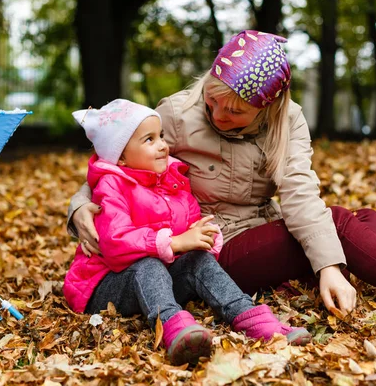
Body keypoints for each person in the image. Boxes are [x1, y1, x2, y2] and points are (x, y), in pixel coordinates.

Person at [68, 30, 376, 328]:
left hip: (260, 229)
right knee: (342, 226)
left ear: (269, 106)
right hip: (204, 250)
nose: (220, 115)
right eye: (214, 101)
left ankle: (324, 270)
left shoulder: (288, 122)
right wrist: (79, 208)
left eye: (236, 111)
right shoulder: (176, 113)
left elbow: (300, 192)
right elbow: (113, 164)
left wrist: (328, 266)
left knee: (361, 221)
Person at [63, 99, 311, 366]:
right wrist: (176, 241)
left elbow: (193, 222)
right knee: (147, 264)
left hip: (156, 279)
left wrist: (202, 235)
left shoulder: (173, 180)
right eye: (149, 140)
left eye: (161, 136)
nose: (162, 145)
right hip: (105, 286)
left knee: (197, 260)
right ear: (120, 155)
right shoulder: (111, 186)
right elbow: (115, 245)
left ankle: (252, 319)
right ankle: (175, 328)